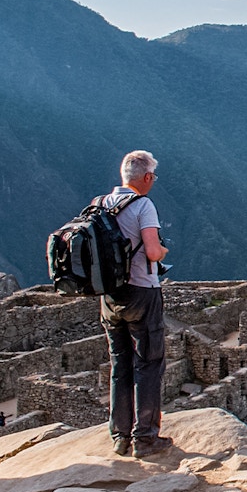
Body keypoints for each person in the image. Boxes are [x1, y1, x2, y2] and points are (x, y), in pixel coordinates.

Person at [100, 150, 170, 458]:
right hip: (142, 291)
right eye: (152, 177)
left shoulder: (100, 204)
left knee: (120, 365)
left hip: (109, 296)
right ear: (144, 177)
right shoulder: (143, 205)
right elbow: (152, 251)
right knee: (149, 363)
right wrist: (162, 253)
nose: (152, 182)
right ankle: (146, 438)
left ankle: (120, 436)